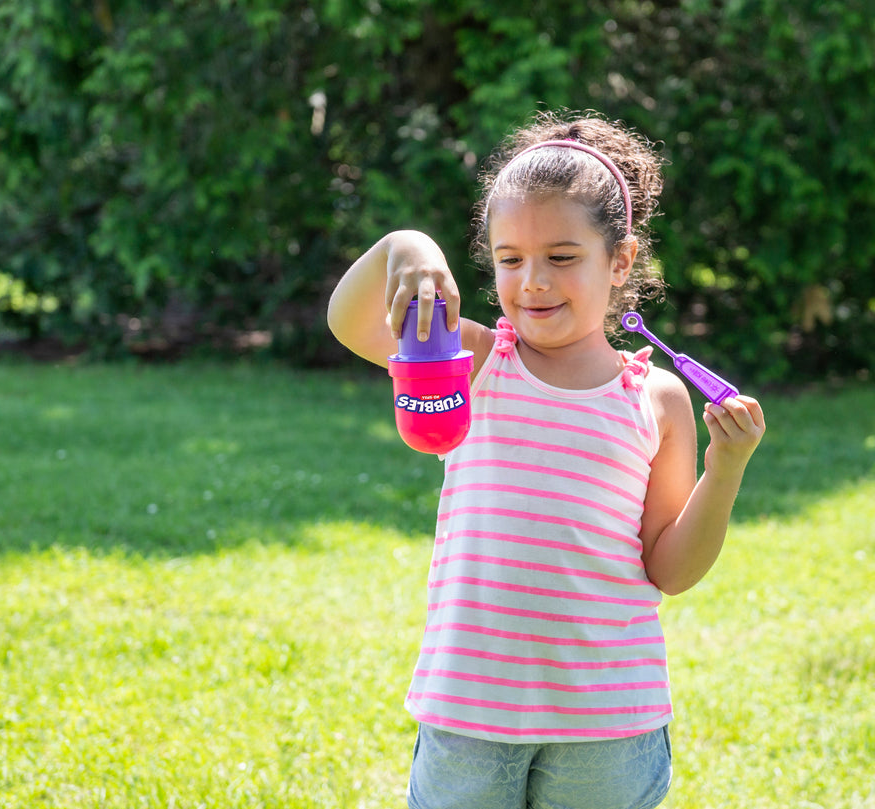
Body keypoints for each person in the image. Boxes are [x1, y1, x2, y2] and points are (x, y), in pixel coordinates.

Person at [327, 111, 765, 809]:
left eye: (561, 258)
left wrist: (727, 469)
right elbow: (350, 322)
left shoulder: (656, 398)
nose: (532, 281)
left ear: (620, 260)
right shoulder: (471, 361)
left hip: (608, 721)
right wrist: (406, 248)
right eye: (510, 259)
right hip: (470, 708)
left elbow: (671, 569)